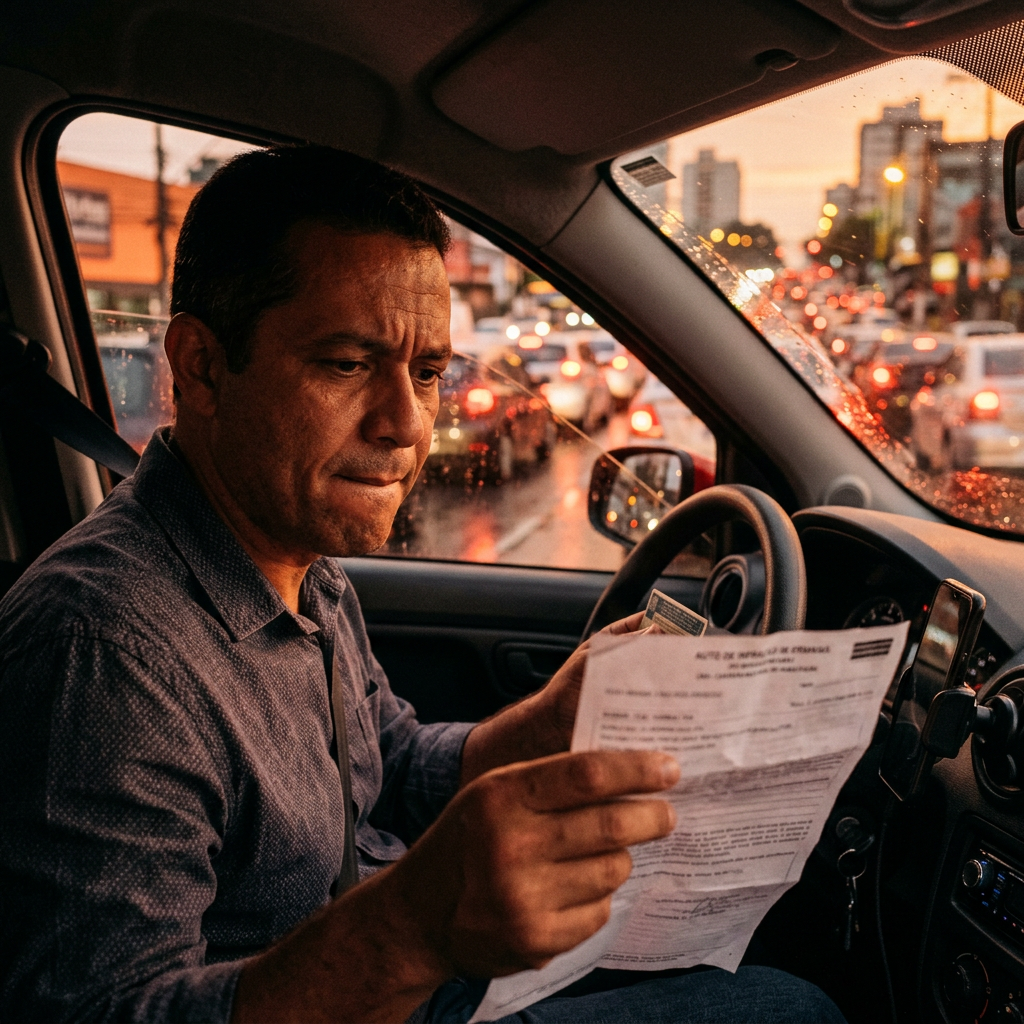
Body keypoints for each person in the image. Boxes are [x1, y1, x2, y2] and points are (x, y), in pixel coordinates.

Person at [0, 146, 843, 1024]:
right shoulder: (101, 656)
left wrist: (546, 722)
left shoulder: (298, 565)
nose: (407, 424)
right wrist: (408, 933)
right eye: (345, 364)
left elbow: (385, 765)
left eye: (429, 373)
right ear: (203, 368)